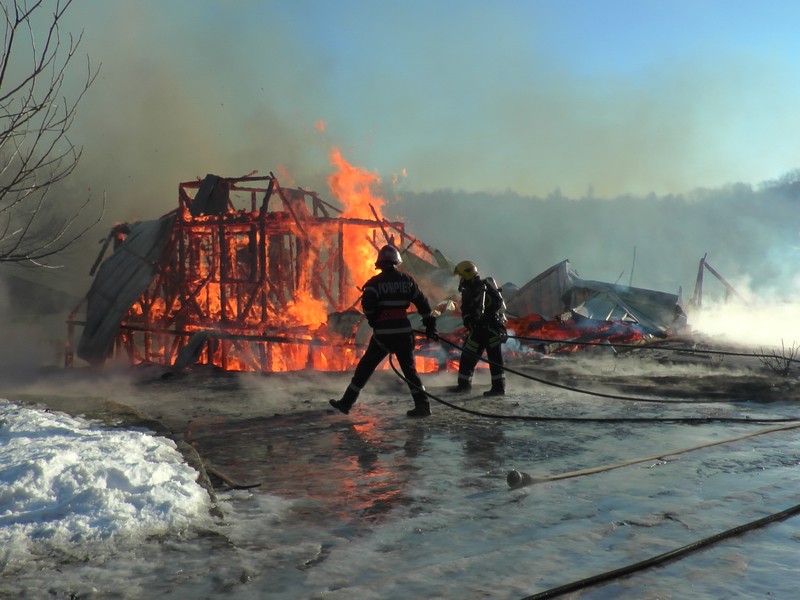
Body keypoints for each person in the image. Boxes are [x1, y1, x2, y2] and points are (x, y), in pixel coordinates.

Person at [330, 245, 438, 417]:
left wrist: (375, 322)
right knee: (410, 371)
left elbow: (368, 308)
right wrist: (430, 326)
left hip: (383, 335)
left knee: (364, 369)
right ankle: (423, 406)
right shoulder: (407, 280)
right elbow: (423, 303)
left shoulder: (374, 284)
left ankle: (346, 403)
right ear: (396, 262)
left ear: (379, 263)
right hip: (403, 332)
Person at [451, 260, 507, 396]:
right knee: (467, 356)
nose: (460, 279)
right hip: (478, 330)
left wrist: (475, 319)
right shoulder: (470, 289)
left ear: (467, 274)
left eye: (461, 276)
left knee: (495, 359)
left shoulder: (481, 288)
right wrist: (469, 322)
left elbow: (488, 307)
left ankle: (498, 388)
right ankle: (464, 386)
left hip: (489, 329)